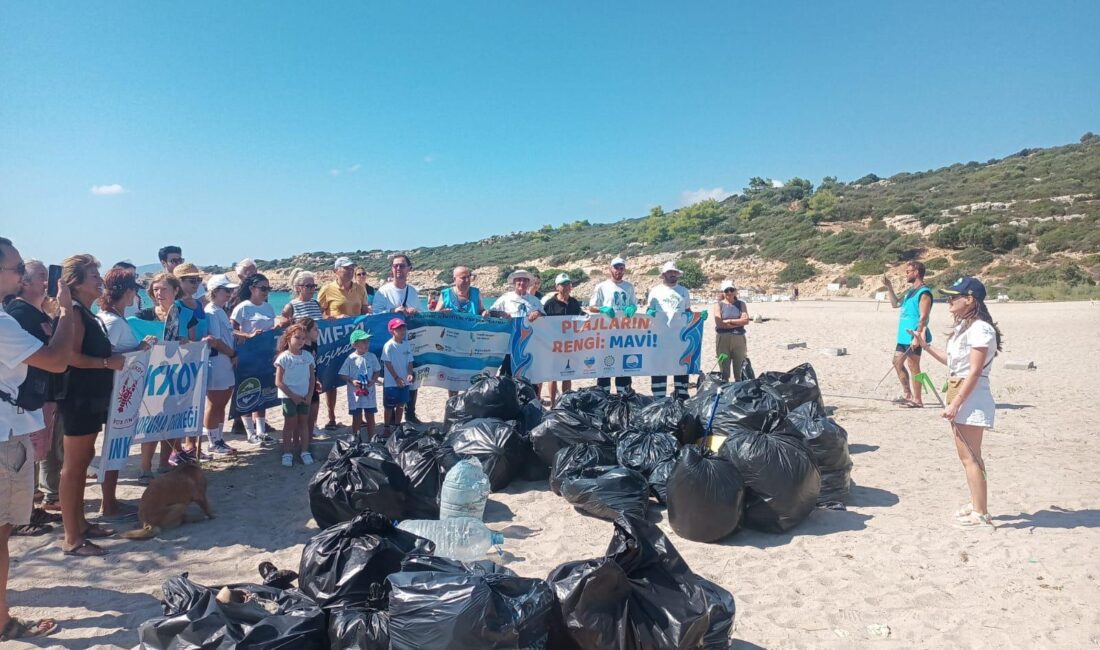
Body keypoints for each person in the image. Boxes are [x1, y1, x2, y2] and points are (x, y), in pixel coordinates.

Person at [0, 237, 74, 641]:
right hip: (5, 436)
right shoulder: (3, 322)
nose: (20, 276)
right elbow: (56, 359)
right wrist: (65, 312)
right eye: (14, 269)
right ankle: (3, 621)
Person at [54, 254, 131, 556]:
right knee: (73, 467)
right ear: (76, 283)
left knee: (84, 459)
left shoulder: (87, 312)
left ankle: (81, 525)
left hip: (91, 397)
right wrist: (105, 363)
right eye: (94, 276)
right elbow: (69, 356)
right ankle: (72, 537)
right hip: (78, 397)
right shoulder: (74, 312)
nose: (100, 281)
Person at [910, 277, 1001, 529]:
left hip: (971, 394)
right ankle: (976, 503)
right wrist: (925, 346)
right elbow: (953, 362)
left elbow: (974, 371)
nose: (949, 300)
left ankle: (981, 512)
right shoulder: (965, 327)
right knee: (967, 456)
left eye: (954, 296)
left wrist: (956, 403)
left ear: (970, 299)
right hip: (959, 389)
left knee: (971, 456)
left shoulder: (981, 329)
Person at [4, 261, 64, 535]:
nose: (46, 281)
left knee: (40, 452)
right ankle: (25, 515)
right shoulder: (15, 315)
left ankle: (29, 509)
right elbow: (54, 359)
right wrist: (66, 312)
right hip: (19, 409)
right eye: (41, 276)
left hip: (33, 400)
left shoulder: (28, 312)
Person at [133, 272, 192, 479]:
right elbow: (130, 343)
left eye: (163, 289)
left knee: (172, 419)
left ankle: (164, 463)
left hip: (175, 375)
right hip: (152, 378)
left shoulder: (181, 314)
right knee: (151, 421)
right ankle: (145, 467)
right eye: (155, 289)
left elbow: (184, 340)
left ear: (176, 290)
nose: (159, 293)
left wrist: (185, 342)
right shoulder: (142, 317)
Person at [318, 257, 369, 431]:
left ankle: (359, 415)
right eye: (345, 268)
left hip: (355, 341)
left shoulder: (360, 289)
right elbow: (318, 316)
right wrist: (333, 318)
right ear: (336, 270)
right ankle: (331, 417)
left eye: (351, 268)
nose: (349, 271)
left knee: (358, 376)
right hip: (334, 340)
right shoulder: (327, 289)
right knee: (331, 379)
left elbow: (365, 312)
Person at [231, 274, 276, 445]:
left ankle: (261, 431)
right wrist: (247, 335)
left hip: (265, 355)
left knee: (264, 392)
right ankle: (250, 432)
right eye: (263, 288)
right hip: (247, 355)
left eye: (268, 289)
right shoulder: (243, 307)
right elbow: (231, 329)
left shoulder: (269, 307)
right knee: (247, 391)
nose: (266, 292)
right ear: (252, 289)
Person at [884, 260, 933, 408]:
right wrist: (889, 287)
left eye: (908, 271)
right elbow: (895, 304)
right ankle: (907, 394)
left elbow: (923, 317)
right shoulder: (910, 291)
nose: (906, 274)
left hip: (914, 335)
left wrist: (917, 336)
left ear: (916, 272)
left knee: (913, 365)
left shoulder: (924, 292)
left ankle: (917, 400)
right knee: (897, 362)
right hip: (903, 335)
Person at [202, 274, 240, 455]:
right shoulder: (211, 311)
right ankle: (212, 440)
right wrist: (232, 353)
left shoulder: (220, 310)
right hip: (217, 361)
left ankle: (218, 438)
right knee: (215, 402)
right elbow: (215, 341)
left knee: (222, 403)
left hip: (225, 361)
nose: (230, 293)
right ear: (215, 291)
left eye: (231, 290)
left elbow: (229, 335)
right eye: (226, 290)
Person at [588, 257, 637, 394]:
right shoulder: (601, 287)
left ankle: (624, 399)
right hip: (606, 335)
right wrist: (602, 309)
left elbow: (634, 304)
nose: (618, 271)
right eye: (616, 268)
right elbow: (591, 307)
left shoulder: (629, 287)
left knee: (623, 369)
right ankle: (604, 398)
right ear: (610, 268)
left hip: (624, 334)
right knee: (605, 368)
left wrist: (632, 307)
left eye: (621, 268)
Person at [646, 261, 692, 400]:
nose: (672, 274)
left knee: (680, 366)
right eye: (670, 272)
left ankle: (681, 397)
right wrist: (651, 313)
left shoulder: (684, 291)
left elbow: (688, 310)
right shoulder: (655, 291)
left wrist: (696, 317)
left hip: (679, 337)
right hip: (660, 336)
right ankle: (659, 399)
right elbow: (649, 309)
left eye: (674, 272)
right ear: (664, 274)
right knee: (659, 366)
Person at [484, 269, 543, 379]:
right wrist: (501, 314)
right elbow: (491, 313)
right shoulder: (505, 298)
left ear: (528, 283)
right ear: (514, 283)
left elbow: (546, 319)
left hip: (529, 346)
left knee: (529, 377)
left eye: (525, 280)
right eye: (519, 280)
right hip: (509, 346)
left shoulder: (535, 301)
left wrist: (538, 313)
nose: (522, 283)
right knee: (506, 377)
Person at [274, 323, 316, 467]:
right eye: (297, 337)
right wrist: (293, 396)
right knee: (289, 424)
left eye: (303, 338)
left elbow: (312, 378)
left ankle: (304, 451)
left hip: (304, 396)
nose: (300, 341)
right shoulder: (284, 357)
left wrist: (310, 394)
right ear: (288, 338)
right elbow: (278, 382)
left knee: (303, 423)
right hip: (289, 396)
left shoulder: (308, 356)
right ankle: (287, 452)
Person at [541, 273, 582, 404]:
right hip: (553, 345)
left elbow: (582, 318)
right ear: (557, 287)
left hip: (570, 344)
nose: (566, 287)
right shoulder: (550, 304)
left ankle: (564, 403)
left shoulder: (574, 302)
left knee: (567, 374)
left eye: (568, 284)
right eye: (563, 285)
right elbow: (542, 323)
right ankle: (553, 404)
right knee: (553, 376)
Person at [339, 330, 381, 442]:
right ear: (354, 344)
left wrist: (374, 380)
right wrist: (352, 380)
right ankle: (356, 440)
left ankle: (372, 439)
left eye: (367, 341)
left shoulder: (372, 356)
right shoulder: (350, 358)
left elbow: (377, 370)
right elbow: (342, 374)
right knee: (357, 417)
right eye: (363, 342)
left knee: (370, 416)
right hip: (355, 394)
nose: (366, 344)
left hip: (369, 392)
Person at [381, 318, 414, 433]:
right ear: (392, 331)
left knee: (401, 405)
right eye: (398, 329)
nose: (402, 331)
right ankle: (386, 427)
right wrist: (396, 378)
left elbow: (410, 361)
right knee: (389, 406)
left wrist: (409, 373)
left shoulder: (406, 344)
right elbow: (387, 363)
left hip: (404, 381)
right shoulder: (388, 345)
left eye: (403, 328)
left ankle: (397, 426)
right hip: (391, 382)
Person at [714, 280, 751, 382]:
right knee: (724, 368)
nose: (729, 293)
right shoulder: (718, 305)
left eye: (731, 290)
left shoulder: (741, 304)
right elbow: (719, 323)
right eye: (727, 290)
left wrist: (729, 321)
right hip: (723, 339)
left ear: (735, 291)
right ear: (723, 292)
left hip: (739, 338)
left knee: (739, 368)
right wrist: (738, 323)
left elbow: (746, 320)